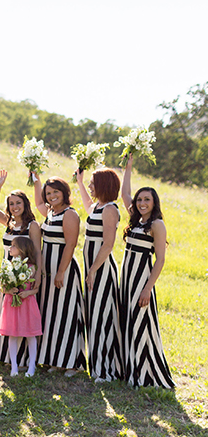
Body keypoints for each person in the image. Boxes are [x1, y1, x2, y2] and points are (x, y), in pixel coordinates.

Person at [119, 155, 174, 388]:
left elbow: (160, 260)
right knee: (128, 322)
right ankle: (129, 369)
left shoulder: (156, 225)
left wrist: (147, 289)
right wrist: (128, 169)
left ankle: (146, 374)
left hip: (142, 277)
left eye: (147, 200)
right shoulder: (136, 220)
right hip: (126, 276)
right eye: (140, 199)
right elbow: (124, 195)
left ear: (154, 202)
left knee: (142, 324)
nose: (142, 203)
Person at [33, 174, 86, 376]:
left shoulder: (69, 214)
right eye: (49, 193)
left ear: (64, 192)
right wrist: (36, 178)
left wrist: (61, 272)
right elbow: (38, 201)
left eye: (56, 191)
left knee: (66, 314)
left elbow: (71, 244)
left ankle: (72, 362)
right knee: (52, 314)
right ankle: (56, 358)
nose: (52, 195)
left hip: (63, 270)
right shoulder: (51, 213)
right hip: (48, 269)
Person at [75, 167, 122, 383]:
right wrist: (80, 182)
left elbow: (108, 244)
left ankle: (106, 370)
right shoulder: (97, 207)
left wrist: (92, 270)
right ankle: (97, 366)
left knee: (102, 316)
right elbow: (87, 205)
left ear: (104, 185)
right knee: (93, 316)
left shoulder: (110, 209)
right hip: (92, 270)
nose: (91, 187)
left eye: (94, 183)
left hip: (101, 270)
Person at [0, 171, 42, 367]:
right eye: (11, 204)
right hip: (8, 275)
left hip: (26, 276)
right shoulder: (8, 223)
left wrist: (38, 277)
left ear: (25, 204)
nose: (14, 207)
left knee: (25, 318)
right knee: (8, 316)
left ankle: (26, 361)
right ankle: (8, 358)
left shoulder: (32, 225)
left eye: (18, 203)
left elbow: (38, 252)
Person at [0, 236, 42, 377]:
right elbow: (1, 287)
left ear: (22, 250)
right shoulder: (8, 266)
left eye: (13, 246)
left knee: (30, 334)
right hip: (12, 305)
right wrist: (9, 290)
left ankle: (32, 366)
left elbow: (36, 289)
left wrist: (28, 292)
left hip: (27, 304)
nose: (10, 248)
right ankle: (14, 367)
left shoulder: (31, 268)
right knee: (12, 334)